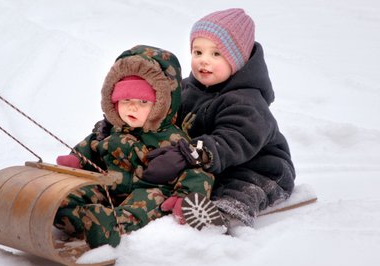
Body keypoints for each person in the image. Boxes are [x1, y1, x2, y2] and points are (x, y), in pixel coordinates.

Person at [93, 8, 296, 230]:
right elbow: (159, 114)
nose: (203, 61)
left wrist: (187, 153)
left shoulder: (247, 102)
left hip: (257, 167)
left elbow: (231, 141)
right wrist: (122, 127)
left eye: (216, 54)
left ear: (239, 59)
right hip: (201, 163)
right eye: (198, 52)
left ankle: (225, 215)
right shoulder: (186, 88)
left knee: (241, 188)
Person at [53, 45, 221, 249]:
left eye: (143, 101)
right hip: (110, 185)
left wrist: (185, 196)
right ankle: (85, 219)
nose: (132, 107)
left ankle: (112, 227)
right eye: (125, 100)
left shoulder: (172, 138)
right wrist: (78, 158)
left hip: (150, 189)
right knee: (66, 198)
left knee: (145, 204)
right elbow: (92, 145)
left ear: (161, 104)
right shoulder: (110, 129)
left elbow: (197, 170)